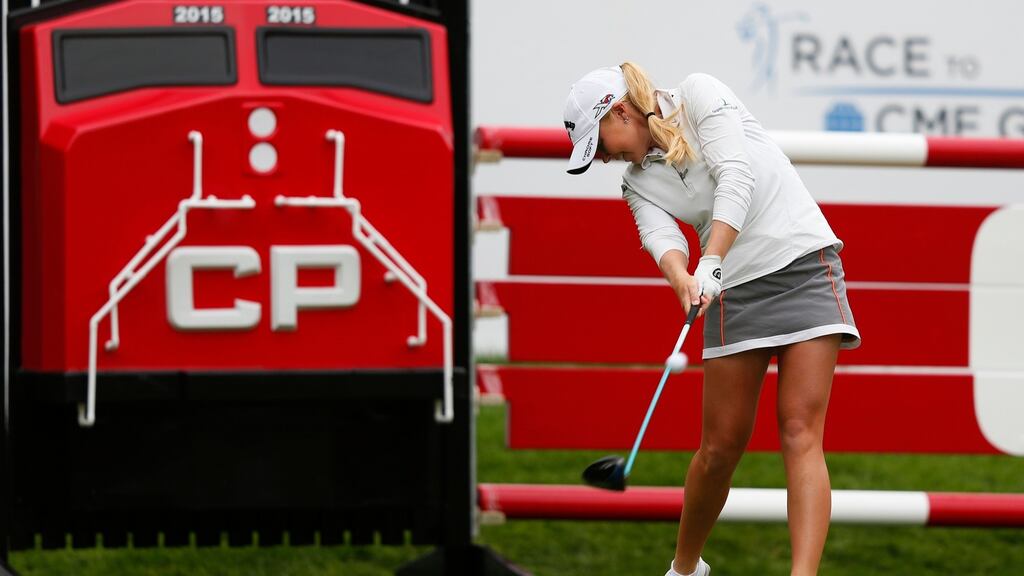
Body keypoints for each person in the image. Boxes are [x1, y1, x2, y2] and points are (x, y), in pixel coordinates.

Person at [562, 63, 861, 576]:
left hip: (803, 262)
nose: (605, 157)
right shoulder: (636, 182)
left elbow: (736, 176)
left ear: (620, 111)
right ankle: (685, 568)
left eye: (601, 142)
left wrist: (712, 260)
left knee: (799, 430)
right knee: (719, 448)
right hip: (733, 289)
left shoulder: (698, 94)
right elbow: (662, 239)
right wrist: (685, 280)